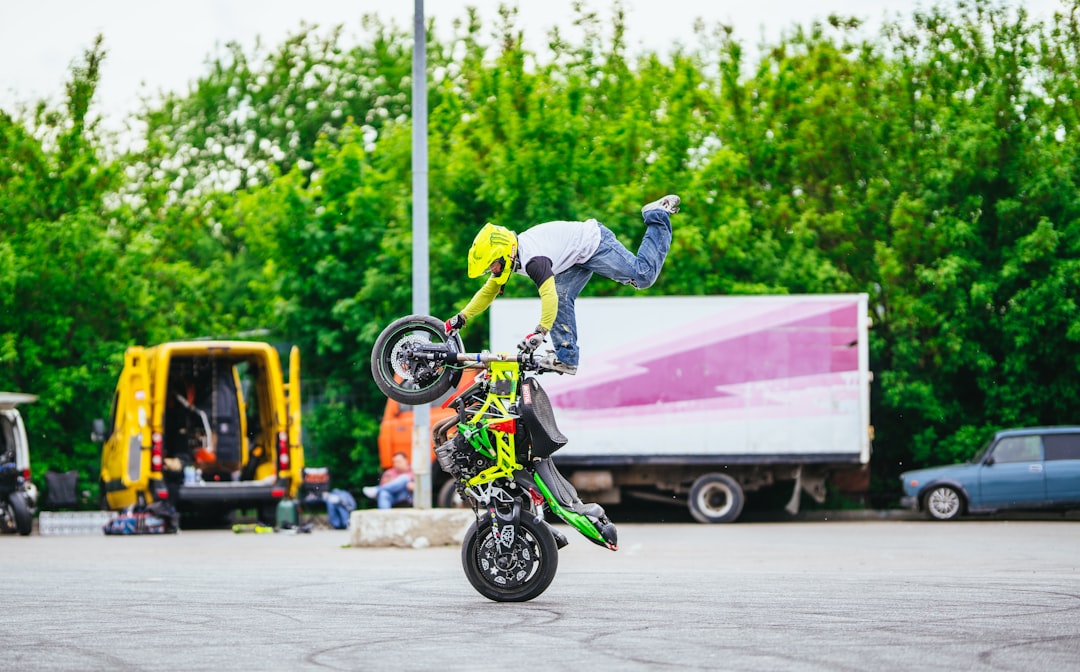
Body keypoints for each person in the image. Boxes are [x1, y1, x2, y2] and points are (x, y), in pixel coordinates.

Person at [444, 195, 680, 375]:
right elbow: (489, 291)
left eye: (492, 265)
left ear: (505, 253)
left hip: (594, 244)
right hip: (573, 259)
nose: (492, 271)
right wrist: (461, 317)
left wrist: (540, 332)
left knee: (643, 275)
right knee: (562, 295)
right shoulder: (513, 256)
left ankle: (656, 215)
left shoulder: (533, 259)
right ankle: (567, 358)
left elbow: (548, 298)